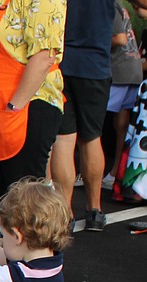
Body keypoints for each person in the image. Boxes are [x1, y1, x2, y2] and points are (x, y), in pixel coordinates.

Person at [0, 0, 66, 206]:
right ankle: (8, 239)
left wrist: (14, 107)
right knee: (2, 202)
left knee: (22, 204)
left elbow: (44, 56)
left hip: (26, 109)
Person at [50, 0, 115, 231]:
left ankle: (64, 214)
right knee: (92, 137)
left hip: (62, 61)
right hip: (95, 65)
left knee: (64, 139)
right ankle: (94, 211)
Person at [104, 1, 142, 191]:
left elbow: (119, 38)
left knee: (89, 125)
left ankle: (86, 171)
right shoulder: (119, 6)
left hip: (119, 71)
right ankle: (115, 173)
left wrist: (95, 39)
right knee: (122, 126)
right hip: (133, 70)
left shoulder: (108, 5)